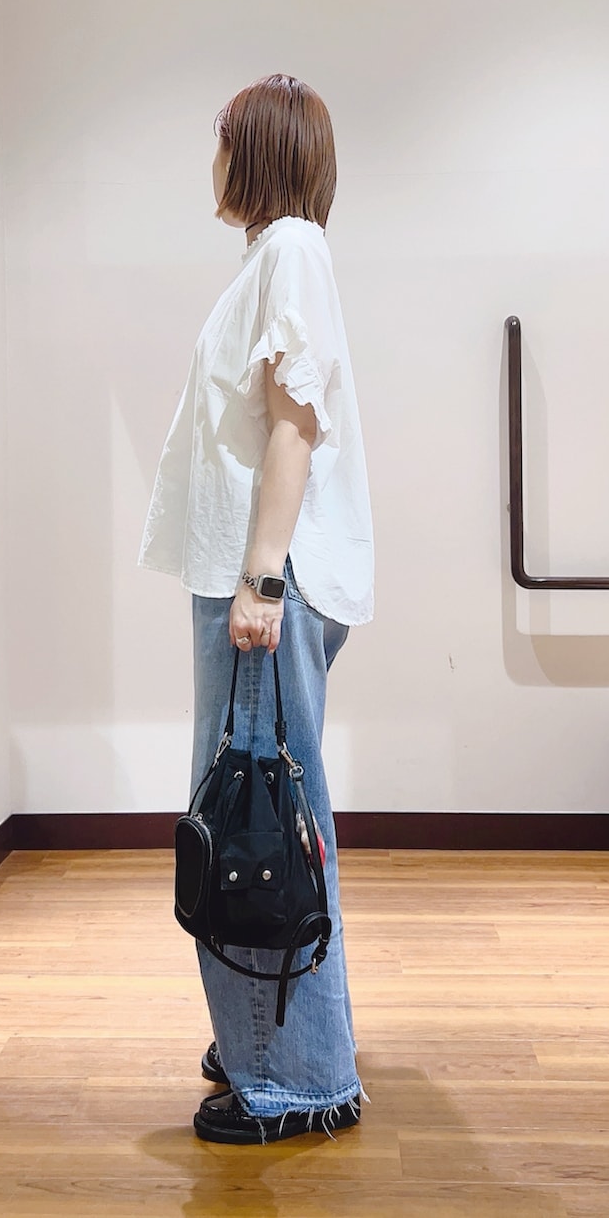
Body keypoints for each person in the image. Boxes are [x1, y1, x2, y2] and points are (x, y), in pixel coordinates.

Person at [139, 73, 374, 1144]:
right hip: (254, 582)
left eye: (224, 142)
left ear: (259, 153)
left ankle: (294, 1077)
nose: (215, 162)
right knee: (265, 811)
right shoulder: (277, 256)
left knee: (258, 823)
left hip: (263, 589)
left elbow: (293, 422)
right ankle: (262, 1040)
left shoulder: (291, 251)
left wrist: (262, 578)